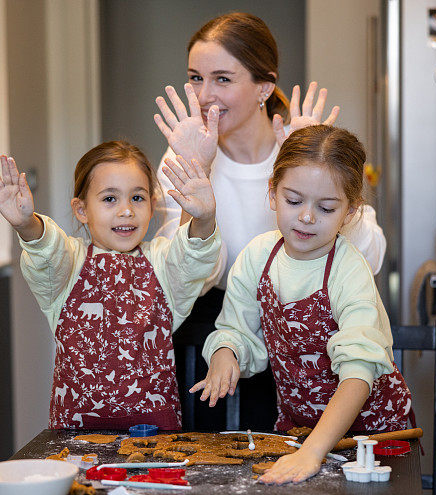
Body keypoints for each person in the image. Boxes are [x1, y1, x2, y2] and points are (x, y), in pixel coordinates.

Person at [152, 12, 387, 430]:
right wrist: (197, 172)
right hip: (219, 336)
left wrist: (318, 163)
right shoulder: (181, 156)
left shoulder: (299, 153)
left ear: (264, 86)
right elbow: (181, 281)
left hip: (311, 343)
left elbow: (367, 258)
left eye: (223, 79)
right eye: (195, 78)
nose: (205, 95)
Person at [192, 125, 412, 484]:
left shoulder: (348, 267)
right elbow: (235, 329)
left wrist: (314, 452)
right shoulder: (258, 256)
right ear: (272, 194)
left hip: (374, 436)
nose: (307, 217)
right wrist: (225, 353)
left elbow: (358, 371)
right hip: (297, 431)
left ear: (351, 210)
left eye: (326, 208)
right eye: (294, 201)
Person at [0, 142, 221, 430]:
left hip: (156, 432)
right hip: (75, 435)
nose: (126, 211)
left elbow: (192, 255)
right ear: (81, 209)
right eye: (110, 199)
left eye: (137, 198)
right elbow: (46, 251)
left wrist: (204, 218)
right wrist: (26, 225)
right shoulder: (68, 263)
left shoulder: (162, 261)